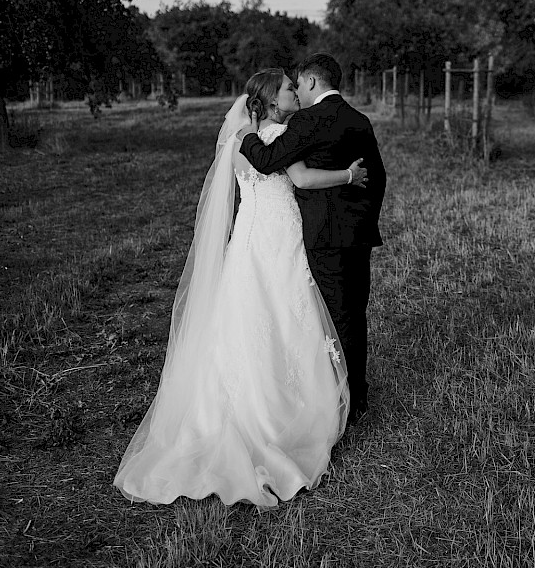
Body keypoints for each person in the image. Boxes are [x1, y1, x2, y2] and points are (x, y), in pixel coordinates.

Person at [114, 68, 370, 507]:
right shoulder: (276, 137)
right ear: (272, 101)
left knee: (245, 319)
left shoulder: (237, 144)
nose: (295, 92)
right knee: (285, 316)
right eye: (289, 88)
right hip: (278, 239)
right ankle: (283, 414)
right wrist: (349, 175)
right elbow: (305, 180)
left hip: (248, 241)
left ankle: (236, 408)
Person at [238, 53, 386, 426]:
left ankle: (344, 400)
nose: (298, 91)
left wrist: (246, 137)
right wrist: (363, 219)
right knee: (354, 313)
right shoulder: (360, 119)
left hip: (323, 235)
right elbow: (378, 178)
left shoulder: (307, 120)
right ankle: (357, 395)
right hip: (358, 235)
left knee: (335, 318)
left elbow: (269, 160)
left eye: (299, 84)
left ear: (312, 82)